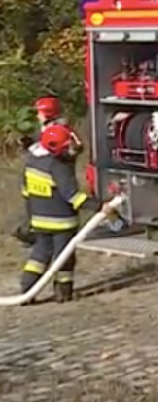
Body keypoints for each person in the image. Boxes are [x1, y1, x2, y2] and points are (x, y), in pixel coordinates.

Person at [18, 123, 101, 303]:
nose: (69, 149)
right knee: (64, 257)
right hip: (62, 222)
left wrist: (30, 215)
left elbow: (25, 192)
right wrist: (99, 206)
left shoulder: (32, 162)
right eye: (66, 146)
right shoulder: (58, 167)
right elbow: (73, 197)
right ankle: (63, 292)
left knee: (39, 256)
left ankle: (27, 289)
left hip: (39, 220)